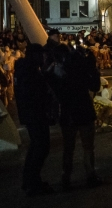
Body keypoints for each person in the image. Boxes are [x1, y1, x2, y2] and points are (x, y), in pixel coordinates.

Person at [47, 44, 102, 191]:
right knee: (88, 147)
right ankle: (90, 175)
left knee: (68, 148)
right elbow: (95, 86)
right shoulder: (80, 68)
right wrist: (92, 68)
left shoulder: (57, 73)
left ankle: (66, 177)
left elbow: (53, 89)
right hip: (84, 110)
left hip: (68, 114)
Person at [14, 43, 55, 196]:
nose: (44, 58)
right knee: (40, 147)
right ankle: (32, 182)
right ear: (35, 55)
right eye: (42, 55)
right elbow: (34, 94)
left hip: (31, 115)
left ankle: (31, 180)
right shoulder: (29, 72)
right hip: (35, 115)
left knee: (37, 147)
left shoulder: (24, 70)